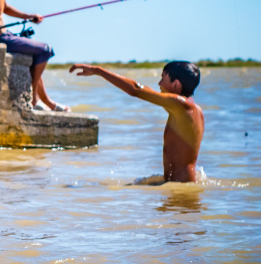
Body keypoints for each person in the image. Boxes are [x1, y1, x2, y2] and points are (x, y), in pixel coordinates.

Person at [69, 62, 205, 183]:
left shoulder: (180, 105)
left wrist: (98, 71)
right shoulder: (194, 110)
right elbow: (146, 91)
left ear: (176, 85)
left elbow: (136, 90)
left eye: (163, 78)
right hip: (183, 184)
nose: (159, 84)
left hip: (181, 188)